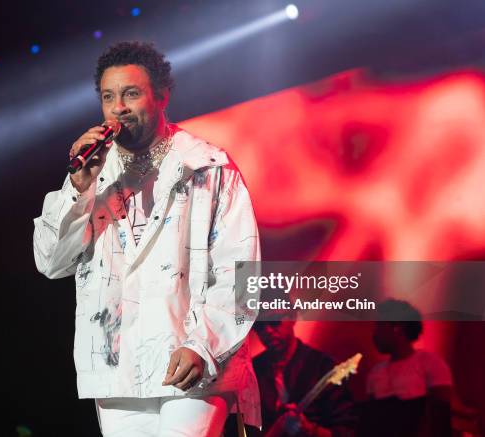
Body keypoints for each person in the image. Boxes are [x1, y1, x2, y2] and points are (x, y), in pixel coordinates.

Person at [33, 41, 261, 436]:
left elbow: (240, 274)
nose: (118, 107)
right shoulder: (94, 175)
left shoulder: (208, 167)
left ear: (161, 96)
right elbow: (52, 263)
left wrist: (202, 345)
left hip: (192, 361)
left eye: (131, 93)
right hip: (117, 369)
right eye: (108, 97)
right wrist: (77, 190)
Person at [225, 314, 357, 437]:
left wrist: (310, 430)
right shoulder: (249, 372)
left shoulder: (323, 366)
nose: (268, 331)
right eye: (259, 326)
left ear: (293, 316)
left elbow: (347, 430)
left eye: (274, 322)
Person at [360, 299, 454, 437]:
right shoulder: (376, 372)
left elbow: (441, 415)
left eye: (379, 325)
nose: (375, 333)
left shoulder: (430, 363)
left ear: (397, 327)